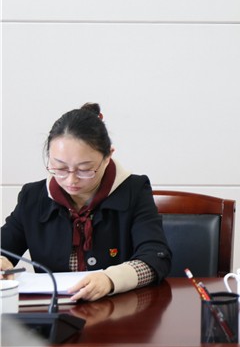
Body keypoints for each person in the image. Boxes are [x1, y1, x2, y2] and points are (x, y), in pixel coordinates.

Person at [1, 103, 171, 301]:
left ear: (108, 156)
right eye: (60, 168)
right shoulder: (33, 197)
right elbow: (5, 247)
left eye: (84, 169)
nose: (71, 180)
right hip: (52, 310)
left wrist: (110, 279)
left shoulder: (134, 190)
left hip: (118, 309)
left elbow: (156, 257)